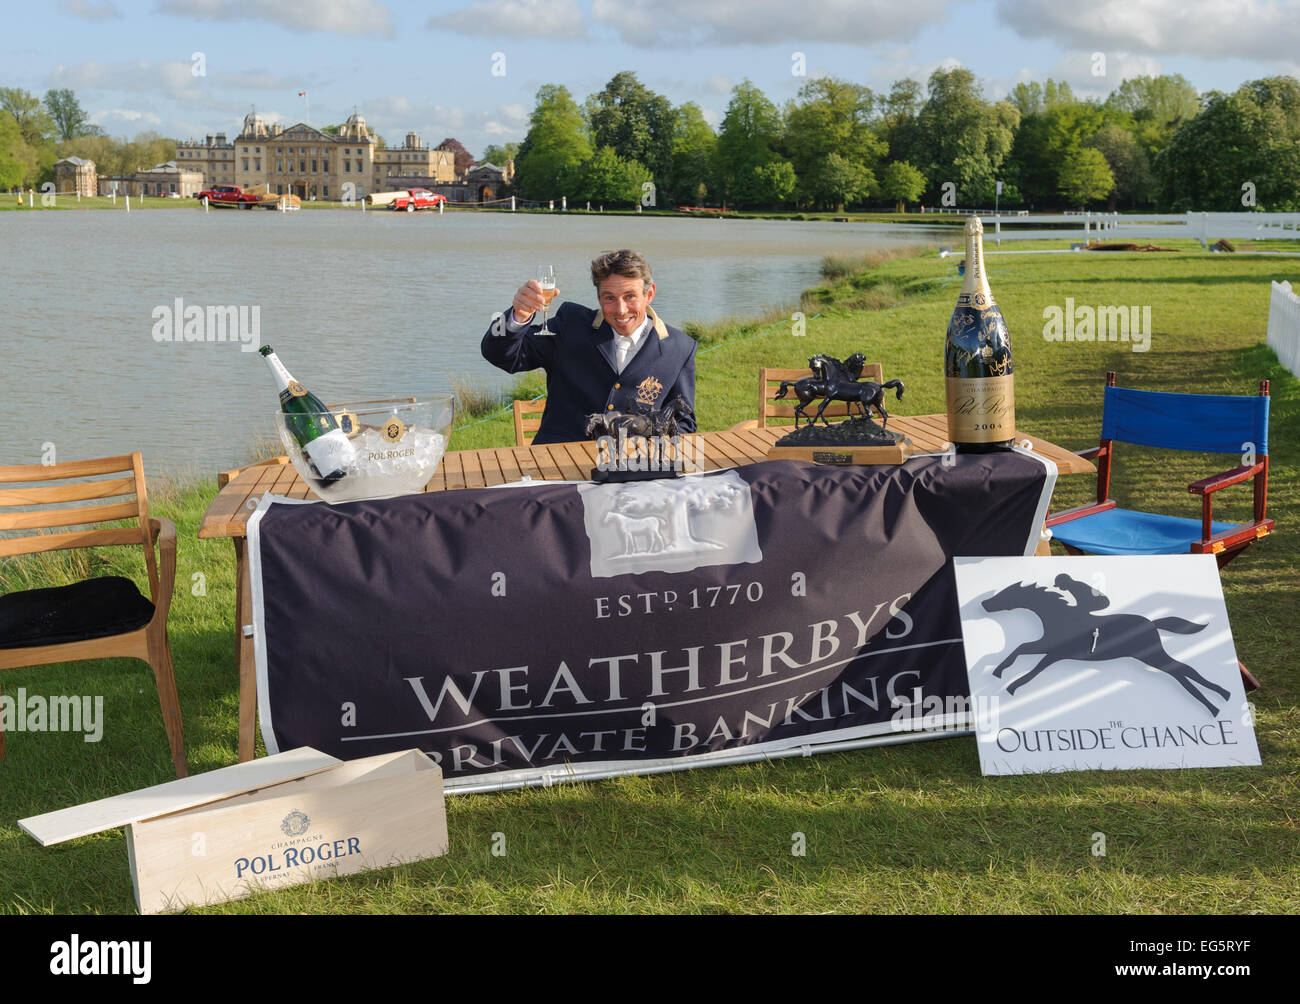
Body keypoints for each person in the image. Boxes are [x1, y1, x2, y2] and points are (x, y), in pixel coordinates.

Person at [481, 249, 696, 445]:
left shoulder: (680, 348)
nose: (621, 310)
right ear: (599, 298)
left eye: (630, 296)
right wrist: (518, 315)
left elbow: (684, 424)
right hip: (555, 464)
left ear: (649, 294)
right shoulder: (569, 324)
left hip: (631, 472)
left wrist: (644, 431)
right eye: (610, 298)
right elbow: (499, 354)